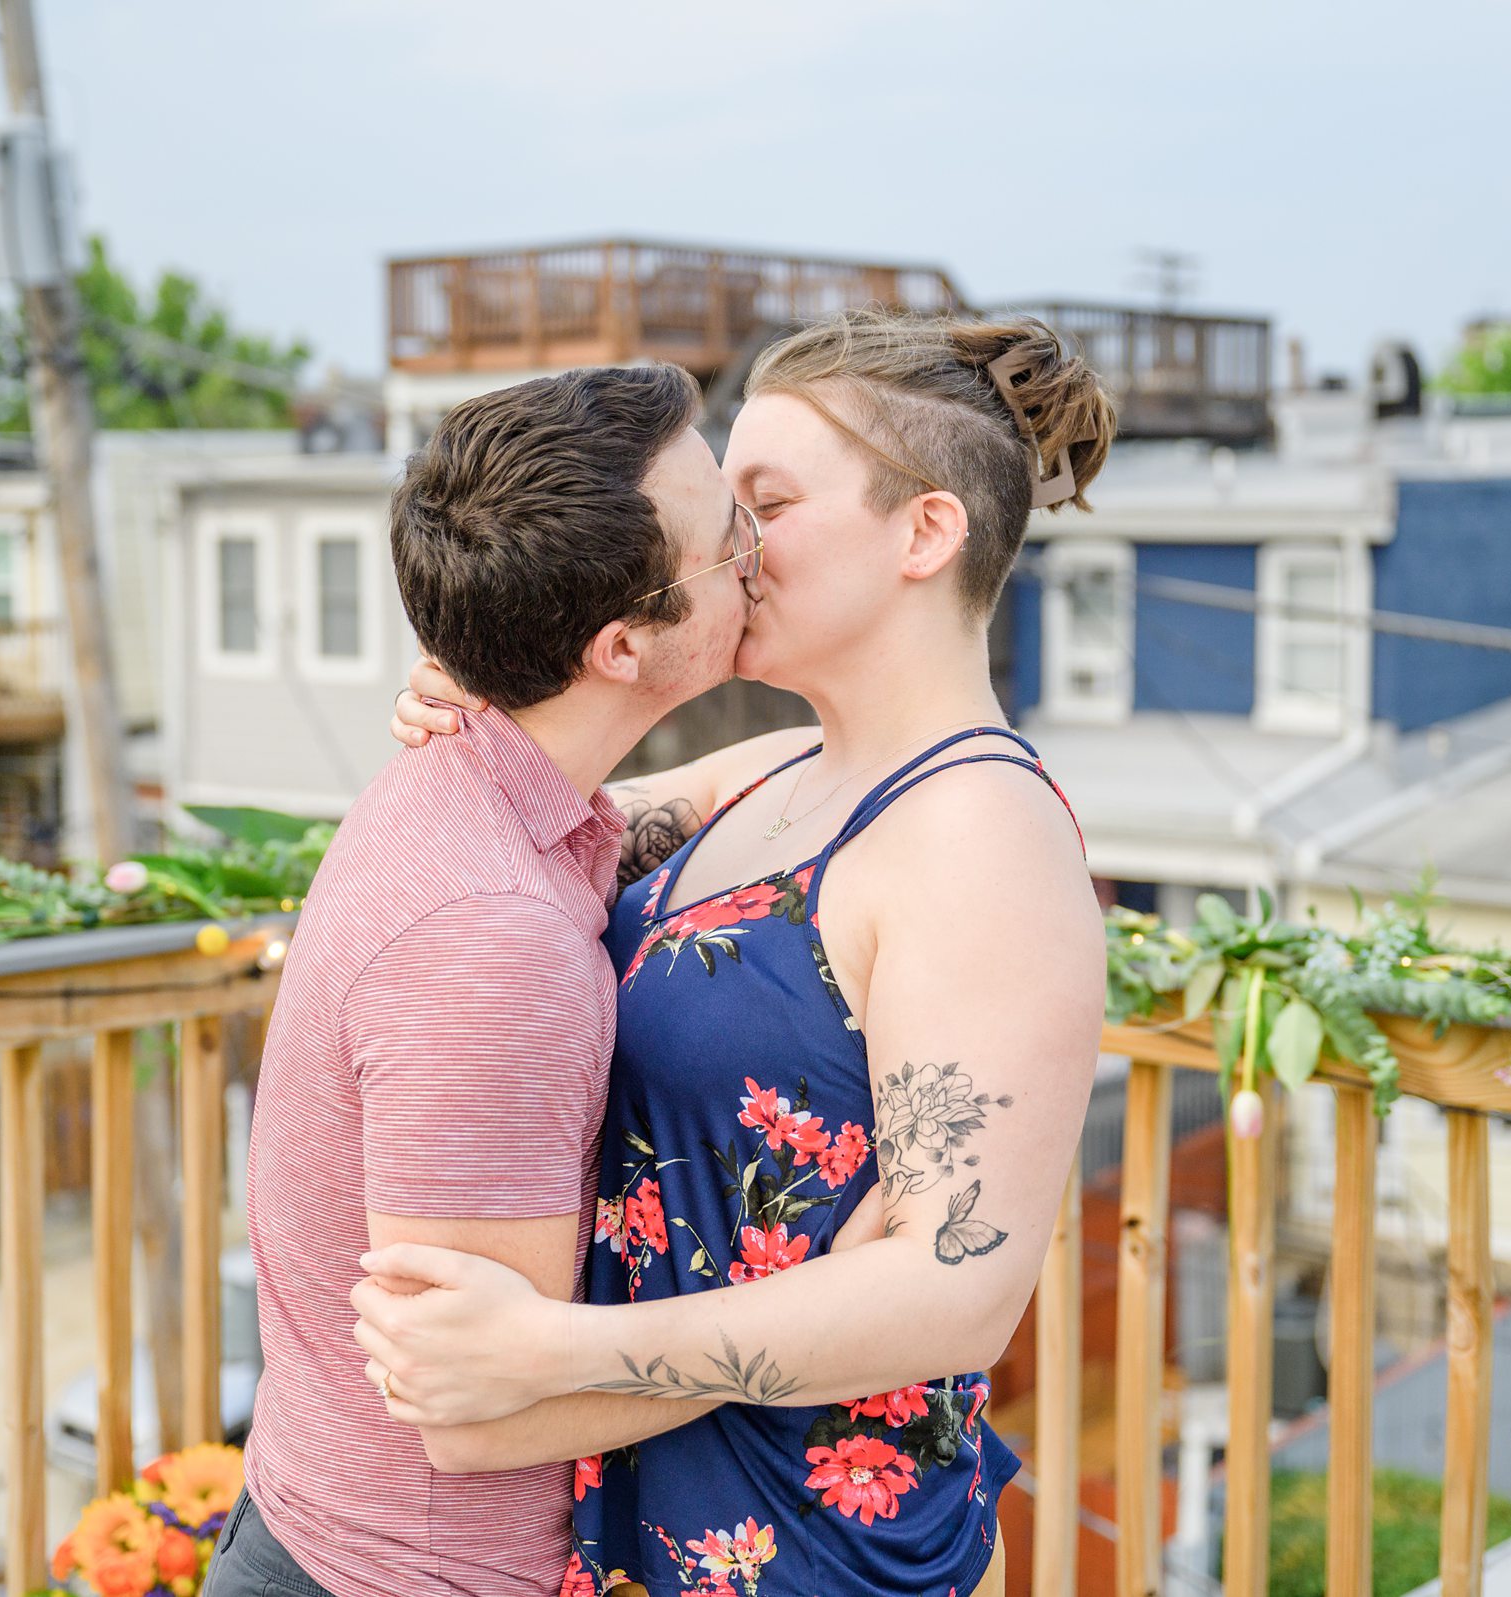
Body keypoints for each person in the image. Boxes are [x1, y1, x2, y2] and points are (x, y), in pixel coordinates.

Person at [356, 311, 1117, 1597]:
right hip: (652, 1522)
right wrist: (483, 686)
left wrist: (552, 1353)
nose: (727, 549)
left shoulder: (982, 841)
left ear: (926, 532)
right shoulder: (770, 774)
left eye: (763, 504)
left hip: (818, 1553)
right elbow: (551, 821)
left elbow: (957, 1289)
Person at [206, 363, 759, 1597]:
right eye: (731, 537)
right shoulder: (491, 939)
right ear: (622, 644)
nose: (756, 550)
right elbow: (478, 1413)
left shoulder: (486, 788)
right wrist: (809, 1335)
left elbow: (736, 783)